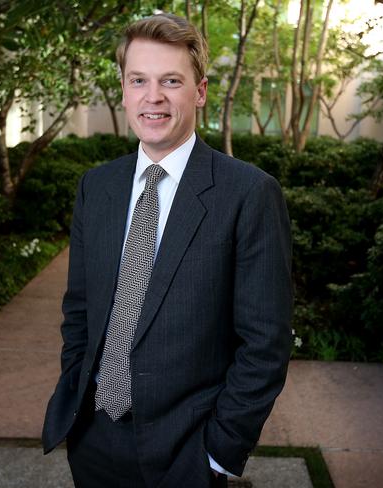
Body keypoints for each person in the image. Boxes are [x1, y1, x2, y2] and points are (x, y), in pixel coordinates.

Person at [42, 13, 292, 488]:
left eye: (171, 81)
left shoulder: (248, 194)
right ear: (123, 88)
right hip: (94, 440)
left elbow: (266, 342)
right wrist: (76, 386)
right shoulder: (96, 187)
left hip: (188, 451)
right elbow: (80, 309)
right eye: (139, 80)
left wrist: (220, 449)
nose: (152, 97)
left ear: (199, 91)